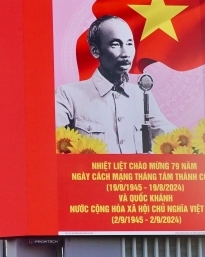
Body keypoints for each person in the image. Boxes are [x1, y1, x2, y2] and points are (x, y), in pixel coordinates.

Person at [56, 15, 176, 153]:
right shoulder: (68, 96)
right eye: (115, 44)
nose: (126, 53)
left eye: (129, 43)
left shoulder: (141, 96)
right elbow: (53, 146)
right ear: (95, 51)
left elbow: (174, 138)